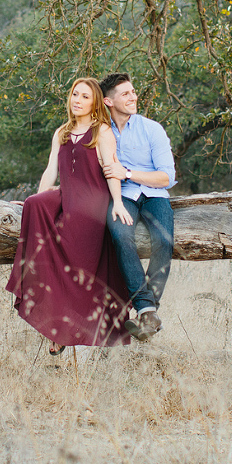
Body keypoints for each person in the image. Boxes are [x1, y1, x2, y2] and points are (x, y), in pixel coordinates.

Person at [6, 77, 136, 355]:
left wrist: (117, 203)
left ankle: (70, 327)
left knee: (74, 256)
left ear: (95, 103)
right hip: (68, 196)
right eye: (74, 94)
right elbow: (51, 170)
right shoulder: (61, 132)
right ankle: (54, 328)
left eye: (84, 96)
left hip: (92, 202)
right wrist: (37, 198)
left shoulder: (101, 131)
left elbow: (112, 169)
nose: (77, 100)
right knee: (33, 204)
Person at [98, 72, 176, 342]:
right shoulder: (101, 131)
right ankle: (147, 311)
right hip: (124, 197)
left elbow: (167, 176)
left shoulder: (151, 129)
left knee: (164, 240)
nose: (133, 97)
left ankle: (147, 312)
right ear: (108, 101)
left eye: (133, 92)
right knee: (120, 235)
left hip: (155, 194)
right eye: (126, 94)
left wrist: (128, 173)